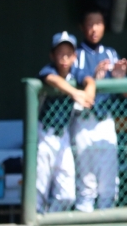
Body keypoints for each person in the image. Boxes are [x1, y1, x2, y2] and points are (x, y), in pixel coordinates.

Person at [72, 9, 127, 211]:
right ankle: (83, 216)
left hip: (105, 120)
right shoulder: (76, 55)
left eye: (98, 23)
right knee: (86, 179)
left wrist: (119, 78)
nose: (94, 29)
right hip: (83, 120)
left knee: (108, 178)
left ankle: (107, 214)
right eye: (90, 24)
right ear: (82, 27)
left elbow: (126, 93)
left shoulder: (111, 54)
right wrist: (95, 78)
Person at [37, 32, 95, 213]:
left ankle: (50, 220)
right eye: (60, 54)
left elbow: (89, 80)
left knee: (67, 194)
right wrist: (75, 93)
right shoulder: (49, 70)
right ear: (52, 55)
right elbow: (51, 79)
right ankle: (36, 221)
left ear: (74, 56)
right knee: (39, 189)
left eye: (68, 54)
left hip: (63, 135)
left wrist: (88, 92)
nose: (64, 58)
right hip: (43, 134)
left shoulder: (75, 72)